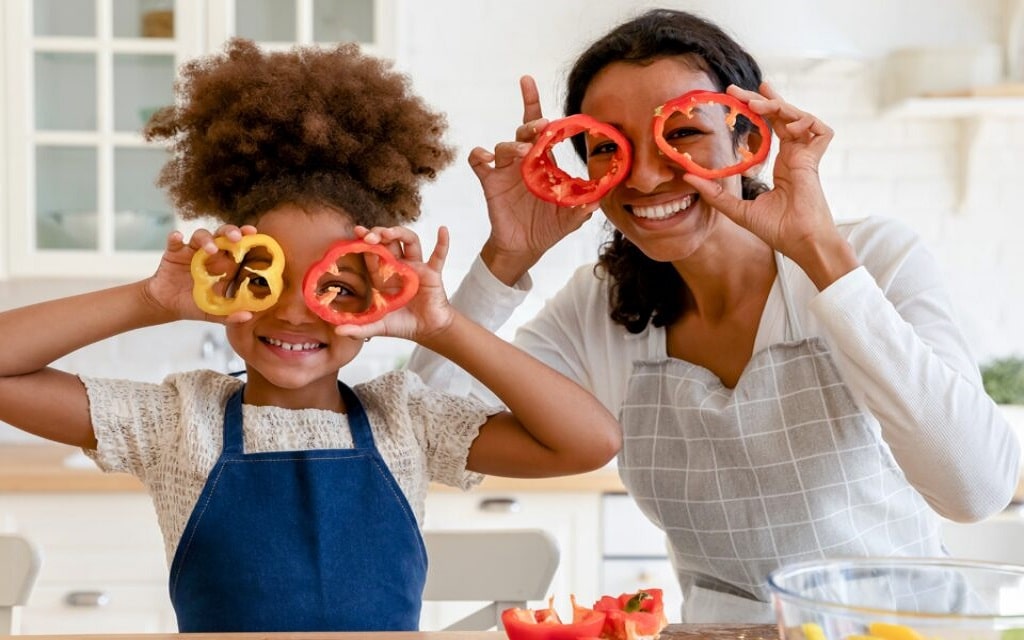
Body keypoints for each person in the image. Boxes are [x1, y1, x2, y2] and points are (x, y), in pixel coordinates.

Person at [407, 8, 1022, 622]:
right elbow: (421, 429)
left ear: (748, 141)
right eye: (607, 146)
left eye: (683, 133)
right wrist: (504, 262)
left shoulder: (875, 258)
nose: (645, 177)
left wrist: (820, 253)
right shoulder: (600, 306)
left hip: (902, 633)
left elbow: (976, 491)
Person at [0, 39, 621, 633]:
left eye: (337, 288)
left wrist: (443, 325)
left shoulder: (407, 420)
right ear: (222, 285)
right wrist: (150, 300)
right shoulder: (176, 422)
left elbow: (589, 443)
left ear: (382, 299)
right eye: (263, 281)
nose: (297, 314)